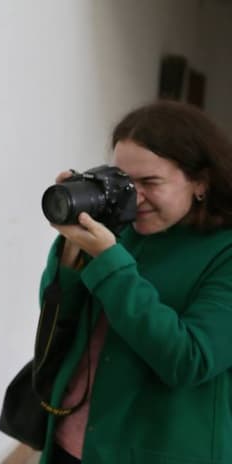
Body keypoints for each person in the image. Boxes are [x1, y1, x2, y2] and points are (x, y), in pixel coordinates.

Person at [38, 100, 232, 463]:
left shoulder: (224, 253)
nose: (134, 197)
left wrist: (110, 263)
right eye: (125, 181)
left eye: (150, 182)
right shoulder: (120, 229)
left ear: (201, 183)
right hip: (73, 439)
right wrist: (71, 244)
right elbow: (59, 319)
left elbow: (189, 360)